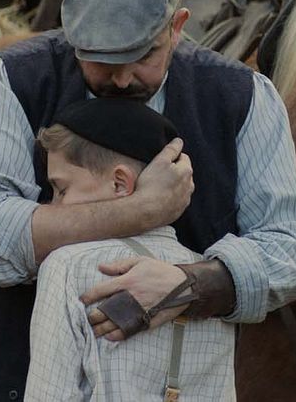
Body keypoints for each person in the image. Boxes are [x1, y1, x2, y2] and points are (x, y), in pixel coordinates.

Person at [0, 0, 296, 401]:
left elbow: (291, 248)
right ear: (72, 33)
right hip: (0, 379)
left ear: (177, 26)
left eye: (143, 55)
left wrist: (186, 285)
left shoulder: (244, 99)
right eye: (100, 59)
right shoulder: (8, 80)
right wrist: (142, 210)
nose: (121, 77)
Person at [25, 98, 235, 401]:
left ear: (120, 184)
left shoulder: (67, 266)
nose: (53, 205)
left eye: (62, 189)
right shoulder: (211, 281)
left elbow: (49, 394)